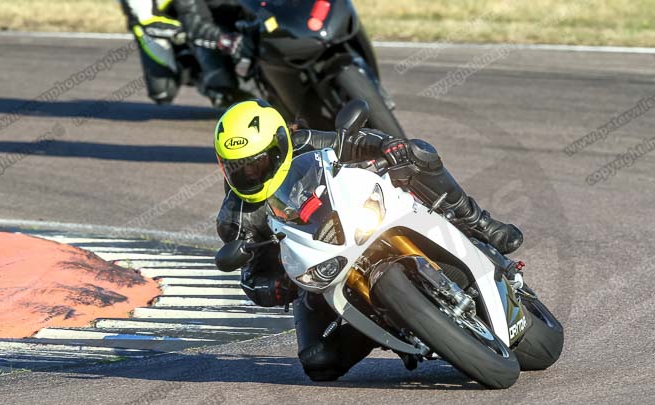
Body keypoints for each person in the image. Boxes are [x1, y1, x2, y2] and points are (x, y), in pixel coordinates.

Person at [214, 99, 523, 381]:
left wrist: (388, 146)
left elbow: (353, 141)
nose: (250, 174)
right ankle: (390, 322)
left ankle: (480, 223)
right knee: (319, 362)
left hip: (358, 218)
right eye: (237, 167)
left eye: (257, 162)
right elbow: (250, 278)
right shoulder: (235, 217)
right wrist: (277, 287)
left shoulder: (305, 143)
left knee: (417, 151)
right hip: (319, 271)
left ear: (279, 143)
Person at [120, 0, 253, 106]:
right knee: (162, 92)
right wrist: (222, 39)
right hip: (158, 20)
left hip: (199, 9)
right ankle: (200, 75)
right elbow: (148, 22)